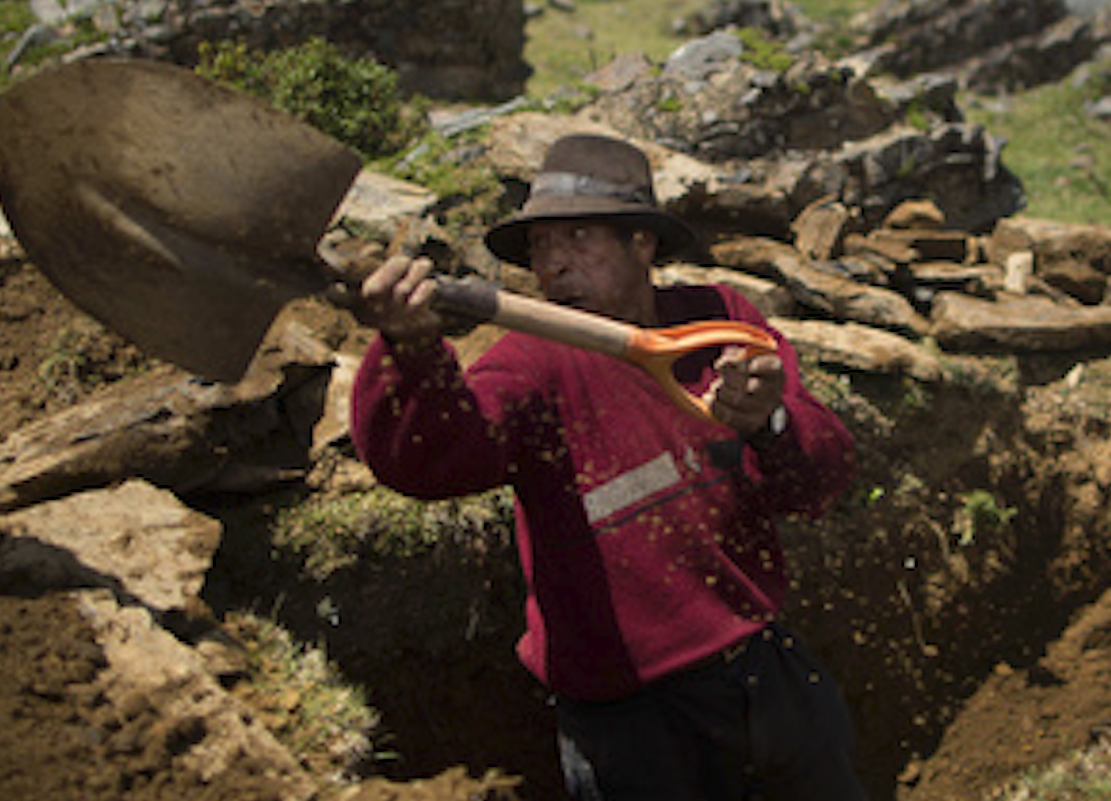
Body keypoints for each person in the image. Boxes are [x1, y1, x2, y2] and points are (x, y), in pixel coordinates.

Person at [348, 132, 866, 799]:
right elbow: (426, 462)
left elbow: (821, 479)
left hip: (763, 679)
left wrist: (770, 421)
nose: (555, 265)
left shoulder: (719, 319)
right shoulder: (528, 368)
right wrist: (412, 350)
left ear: (641, 244)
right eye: (540, 247)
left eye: (579, 238)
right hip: (631, 727)